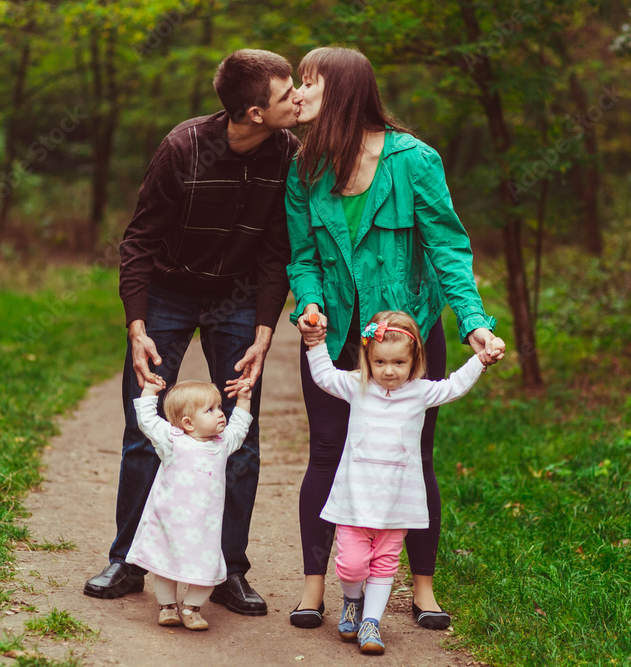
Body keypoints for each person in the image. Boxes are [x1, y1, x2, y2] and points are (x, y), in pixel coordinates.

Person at [285, 46, 506, 630]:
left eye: (308, 83)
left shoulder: (415, 160)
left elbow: (449, 248)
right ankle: (315, 589)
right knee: (328, 456)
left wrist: (475, 322)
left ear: (344, 91)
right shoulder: (305, 167)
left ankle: (424, 589)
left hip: (407, 338)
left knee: (418, 456)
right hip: (331, 337)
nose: (297, 94)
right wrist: (308, 303)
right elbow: (303, 257)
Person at [84, 49, 300, 617]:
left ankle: (229, 569)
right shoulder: (183, 147)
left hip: (237, 297)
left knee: (238, 436)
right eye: (287, 93)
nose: (299, 98)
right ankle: (129, 560)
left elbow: (279, 249)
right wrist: (137, 327)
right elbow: (139, 240)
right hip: (168, 293)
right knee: (144, 424)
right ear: (254, 112)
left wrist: (262, 330)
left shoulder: (290, 154)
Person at [302, 311, 501, 653]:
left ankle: (371, 623)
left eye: (398, 362)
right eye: (379, 361)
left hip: (398, 501)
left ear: (414, 361)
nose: (389, 370)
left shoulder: (420, 393)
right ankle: (353, 600)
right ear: (367, 358)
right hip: (355, 500)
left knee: (384, 565)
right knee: (351, 566)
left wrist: (480, 359)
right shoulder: (357, 387)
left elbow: (454, 385)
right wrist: (315, 342)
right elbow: (322, 376)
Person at [128, 377, 254, 631]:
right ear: (187, 423)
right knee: (164, 565)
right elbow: (148, 422)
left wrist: (243, 400)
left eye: (219, 407)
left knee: (208, 570)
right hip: (170, 522)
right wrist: (149, 393)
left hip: (204, 528)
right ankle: (167, 607)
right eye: (210, 410)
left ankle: (191, 608)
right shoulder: (173, 441)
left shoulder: (222, 444)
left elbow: (239, 428)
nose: (220, 414)